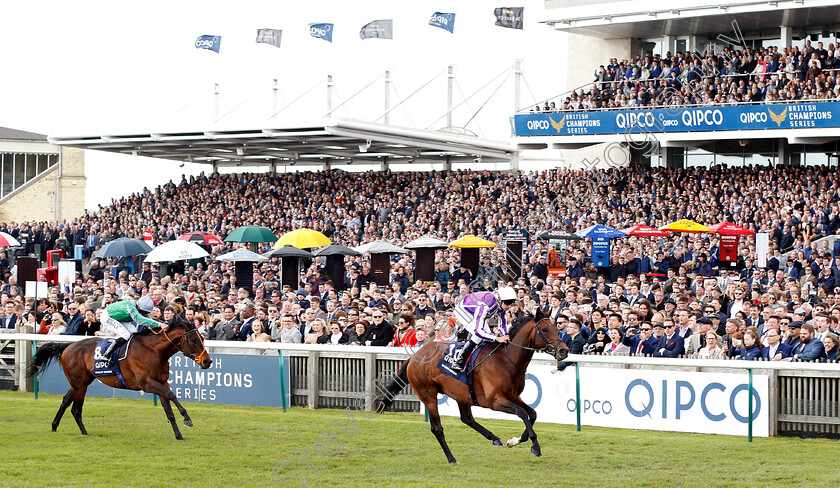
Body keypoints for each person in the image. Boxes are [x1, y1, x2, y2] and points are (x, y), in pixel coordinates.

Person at [450, 286, 517, 372]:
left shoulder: (500, 303)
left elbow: (502, 325)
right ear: (499, 300)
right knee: (480, 336)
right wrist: (497, 338)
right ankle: (458, 361)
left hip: (473, 310)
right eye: (508, 303)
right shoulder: (486, 305)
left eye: (512, 302)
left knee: (488, 335)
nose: (510, 306)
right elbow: (478, 331)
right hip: (464, 311)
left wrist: (506, 335)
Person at [99, 296, 164, 363]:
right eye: (143, 312)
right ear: (139, 307)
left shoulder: (140, 306)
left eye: (147, 312)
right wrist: (160, 324)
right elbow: (140, 320)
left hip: (120, 318)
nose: (145, 314)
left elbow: (148, 319)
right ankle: (106, 355)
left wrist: (158, 325)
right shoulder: (131, 307)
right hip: (108, 317)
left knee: (134, 333)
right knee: (125, 335)